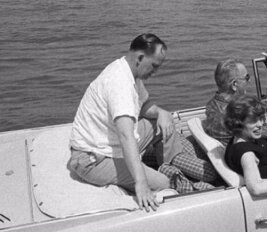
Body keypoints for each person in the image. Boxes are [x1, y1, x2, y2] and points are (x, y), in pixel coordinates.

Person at [67, 33, 213, 211]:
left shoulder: (131, 72)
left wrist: (162, 113)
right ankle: (167, 178)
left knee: (163, 124)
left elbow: (143, 107)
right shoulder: (119, 83)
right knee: (163, 182)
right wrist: (141, 183)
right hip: (93, 159)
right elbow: (126, 135)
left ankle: (171, 165)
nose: (155, 71)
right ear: (140, 58)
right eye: (154, 66)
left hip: (110, 143)